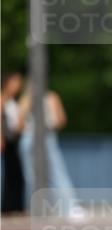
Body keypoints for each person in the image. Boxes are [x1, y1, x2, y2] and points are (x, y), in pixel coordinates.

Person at [18, 85, 84, 219]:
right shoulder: (28, 99)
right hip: (33, 136)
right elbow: (19, 124)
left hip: (43, 136)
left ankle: (66, 207)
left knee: (53, 173)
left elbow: (61, 120)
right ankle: (41, 208)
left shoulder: (49, 97)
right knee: (34, 175)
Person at [1, 70, 26, 214]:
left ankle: (16, 206)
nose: (18, 85)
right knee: (11, 174)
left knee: (17, 174)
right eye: (15, 82)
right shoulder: (2, 99)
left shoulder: (14, 101)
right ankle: (8, 207)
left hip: (16, 140)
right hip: (8, 141)